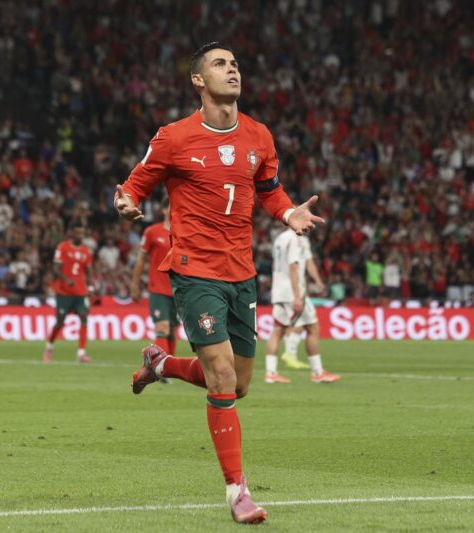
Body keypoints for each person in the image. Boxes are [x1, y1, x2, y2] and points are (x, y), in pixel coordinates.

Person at [114, 42, 324, 524]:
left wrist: (290, 211)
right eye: (220, 64)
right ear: (197, 80)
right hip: (193, 269)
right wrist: (125, 202)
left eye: (235, 64)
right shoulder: (173, 138)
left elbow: (269, 191)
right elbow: (133, 186)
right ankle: (237, 492)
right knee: (223, 376)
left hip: (241, 273)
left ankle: (161, 363)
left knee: (239, 383)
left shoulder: (259, 136)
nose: (232, 70)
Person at [264, 228, 340, 383]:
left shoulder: (280, 238)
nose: (308, 223)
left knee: (278, 330)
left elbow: (305, 262)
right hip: (292, 291)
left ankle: (270, 373)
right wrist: (297, 295)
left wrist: (317, 281)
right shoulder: (296, 239)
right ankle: (317, 372)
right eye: (304, 218)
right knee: (312, 328)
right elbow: (293, 267)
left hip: (278, 290)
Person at [130, 198, 180, 355]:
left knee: (172, 330)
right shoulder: (152, 232)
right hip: (158, 288)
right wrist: (135, 285)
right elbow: (141, 259)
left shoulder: (184, 233)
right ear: (164, 210)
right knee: (162, 327)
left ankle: (170, 367)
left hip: (179, 289)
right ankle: (161, 366)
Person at [43, 223, 93, 363]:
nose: (80, 235)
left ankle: (81, 353)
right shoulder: (62, 247)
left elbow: (89, 272)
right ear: (72, 233)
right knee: (59, 322)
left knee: (84, 317)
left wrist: (91, 287)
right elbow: (56, 269)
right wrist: (66, 279)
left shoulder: (86, 251)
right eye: (78, 232)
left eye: (82, 233)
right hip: (64, 292)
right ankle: (49, 347)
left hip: (81, 292)